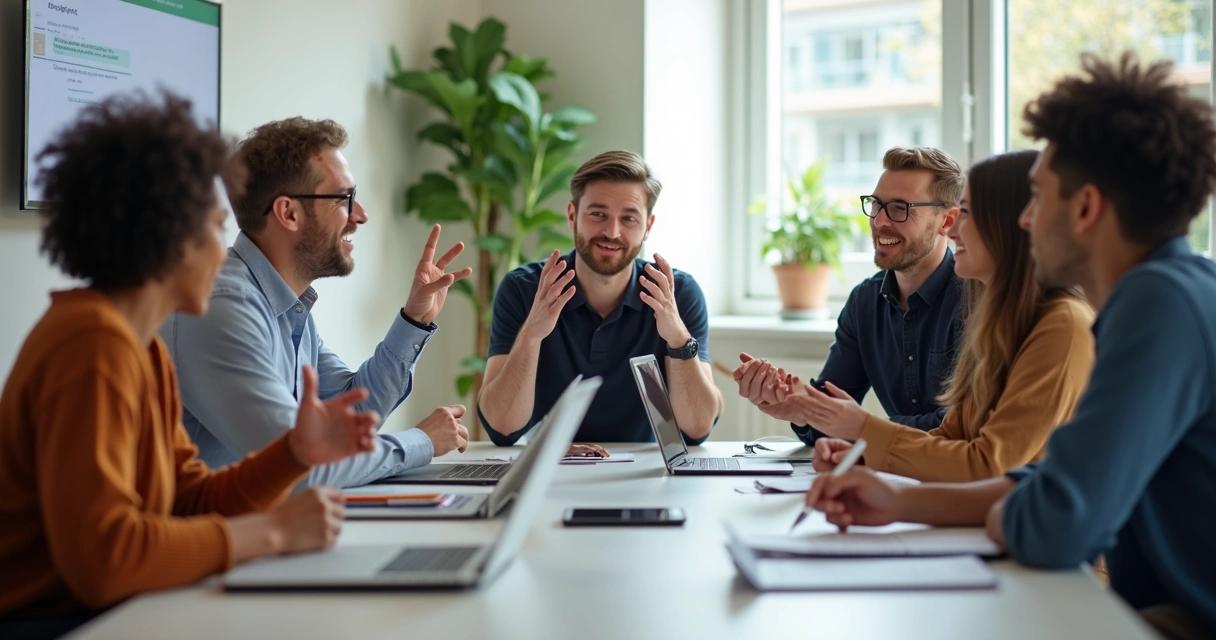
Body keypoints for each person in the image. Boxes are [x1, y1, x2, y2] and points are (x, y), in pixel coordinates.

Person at [804, 54, 1216, 639]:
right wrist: (898, 501)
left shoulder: (1156, 306)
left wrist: (989, 503)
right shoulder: (1167, 295)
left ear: (1087, 208)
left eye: (1037, 199)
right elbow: (1049, 486)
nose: (1024, 220)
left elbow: (1056, 521)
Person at [0, 92, 379, 639]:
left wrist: (293, 453)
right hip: (55, 624)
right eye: (214, 226)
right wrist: (272, 532)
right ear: (169, 236)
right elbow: (106, 559)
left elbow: (191, 500)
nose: (221, 252)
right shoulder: (90, 346)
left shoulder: (142, 347)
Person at [161, 117, 473, 488]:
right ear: (289, 213)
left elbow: (353, 413)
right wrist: (421, 442)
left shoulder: (284, 302)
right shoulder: (223, 307)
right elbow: (298, 465)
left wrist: (414, 320)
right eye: (345, 199)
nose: (360, 215)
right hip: (199, 537)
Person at [806, 150, 1095, 482]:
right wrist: (859, 457)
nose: (953, 228)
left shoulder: (1062, 325)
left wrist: (863, 430)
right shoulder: (1003, 321)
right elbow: (952, 437)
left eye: (968, 213)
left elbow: (985, 465)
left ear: (1016, 222)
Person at [478, 151, 722, 448]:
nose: (612, 232)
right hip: (547, 474)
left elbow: (696, 429)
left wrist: (678, 339)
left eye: (629, 218)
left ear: (648, 226)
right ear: (572, 216)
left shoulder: (677, 293)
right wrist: (531, 335)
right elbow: (502, 428)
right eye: (597, 214)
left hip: (647, 476)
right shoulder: (524, 289)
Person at [734, 147, 966, 444]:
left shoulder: (974, 299)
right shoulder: (865, 302)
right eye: (876, 204)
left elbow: (959, 426)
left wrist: (860, 427)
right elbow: (831, 413)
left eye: (899, 208)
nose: (880, 221)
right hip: (894, 475)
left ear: (947, 220)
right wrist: (796, 407)